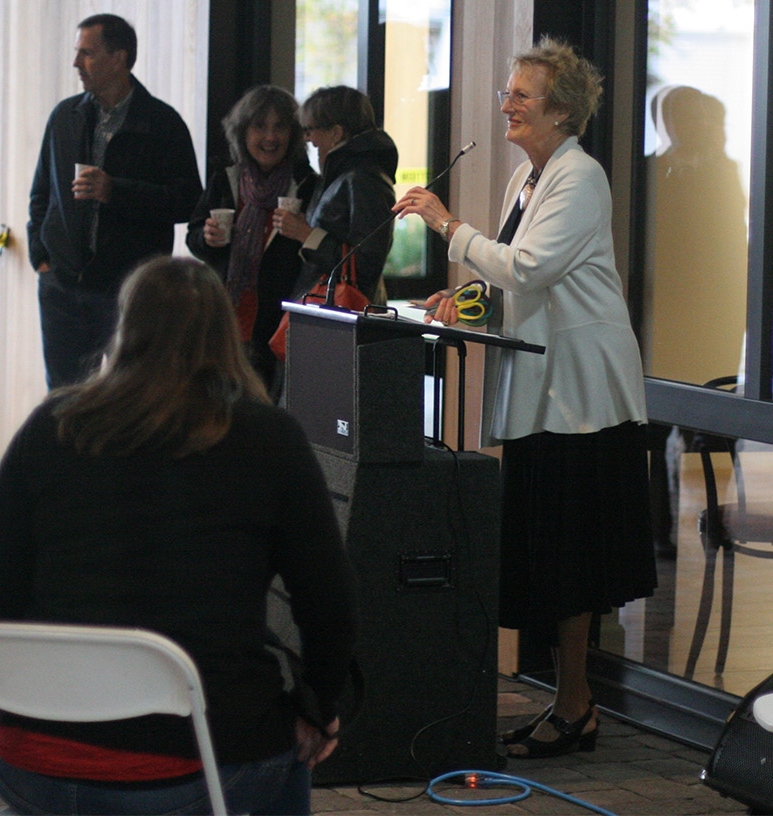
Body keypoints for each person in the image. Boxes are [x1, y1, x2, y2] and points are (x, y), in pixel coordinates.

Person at [0, 257, 356, 816]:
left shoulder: (53, 425)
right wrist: (320, 709)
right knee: (292, 748)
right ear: (226, 337)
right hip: (196, 760)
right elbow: (330, 603)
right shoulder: (269, 440)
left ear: (124, 330)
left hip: (34, 757)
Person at [394, 37, 655, 758]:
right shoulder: (526, 179)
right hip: (543, 388)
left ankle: (578, 706)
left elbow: (533, 267)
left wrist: (448, 226)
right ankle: (571, 703)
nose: (506, 103)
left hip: (582, 395)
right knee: (550, 555)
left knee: (574, 558)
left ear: (563, 112)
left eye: (521, 95)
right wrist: (467, 302)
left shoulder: (582, 177)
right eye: (507, 91)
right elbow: (513, 284)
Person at [28, 13, 202, 388]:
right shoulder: (65, 117)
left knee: (136, 393)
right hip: (63, 286)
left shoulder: (162, 124)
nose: (76, 63)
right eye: (77, 53)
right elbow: (42, 192)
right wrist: (41, 256)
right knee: (64, 399)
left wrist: (115, 191)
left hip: (132, 291)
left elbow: (187, 202)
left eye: (87, 54)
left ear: (119, 58)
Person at [187, 86, 318, 392]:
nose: (270, 138)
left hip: (278, 325)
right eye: (259, 126)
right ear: (242, 132)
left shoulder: (307, 184)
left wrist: (302, 232)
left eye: (280, 127)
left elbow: (317, 258)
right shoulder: (226, 177)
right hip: (224, 321)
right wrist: (207, 238)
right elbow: (194, 237)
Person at [274, 86, 397, 305]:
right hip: (333, 311)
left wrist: (306, 235)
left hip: (345, 315)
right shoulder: (344, 175)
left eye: (310, 129)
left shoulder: (363, 179)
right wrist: (308, 230)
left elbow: (366, 263)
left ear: (336, 133)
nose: (307, 138)